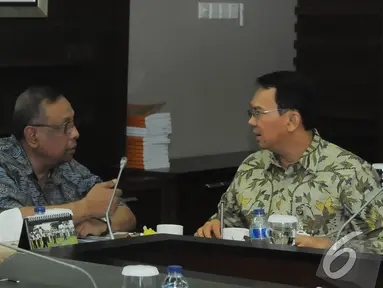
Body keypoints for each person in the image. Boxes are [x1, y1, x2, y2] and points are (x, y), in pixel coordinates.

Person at [196, 71, 383, 250]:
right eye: (251, 113)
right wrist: (213, 227)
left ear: (292, 120)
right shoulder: (252, 167)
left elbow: (379, 243)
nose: (251, 121)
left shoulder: (350, 172)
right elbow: (225, 222)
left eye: (258, 112)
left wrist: (330, 246)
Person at [0, 86, 136, 237]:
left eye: (74, 123)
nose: (76, 133)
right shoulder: (3, 162)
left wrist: (102, 225)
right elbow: (9, 224)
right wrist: (85, 209)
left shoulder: (66, 164)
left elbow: (126, 215)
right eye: (66, 127)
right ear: (33, 135)